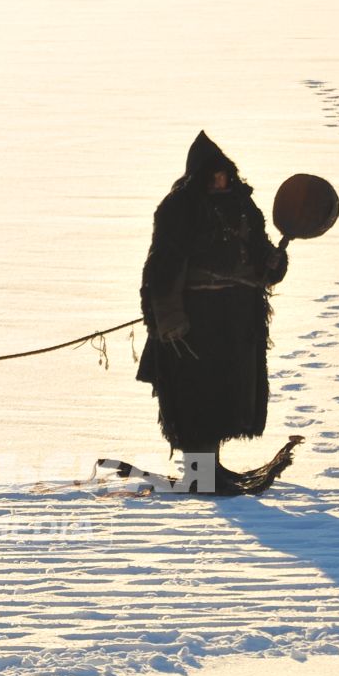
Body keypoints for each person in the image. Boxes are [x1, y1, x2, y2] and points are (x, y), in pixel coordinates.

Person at [136, 131, 290, 492]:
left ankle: (213, 468)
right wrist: (170, 323)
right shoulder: (178, 210)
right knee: (194, 397)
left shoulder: (242, 206)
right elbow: (162, 269)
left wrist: (273, 263)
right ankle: (200, 473)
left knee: (225, 394)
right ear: (199, 176)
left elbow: (260, 259)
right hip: (196, 320)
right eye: (213, 174)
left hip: (236, 318)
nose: (220, 180)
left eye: (224, 174)